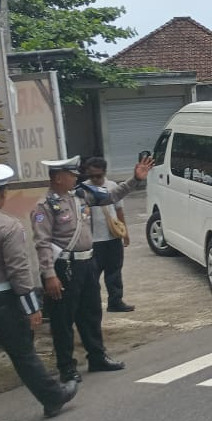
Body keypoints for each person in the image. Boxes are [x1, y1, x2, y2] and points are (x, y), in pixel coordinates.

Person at [0, 164, 78, 421]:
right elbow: (18, 271)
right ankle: (53, 397)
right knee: (23, 354)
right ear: (2, 195)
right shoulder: (7, 225)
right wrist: (32, 307)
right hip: (0, 301)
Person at [32, 154, 153, 383]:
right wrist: (49, 275)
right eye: (71, 175)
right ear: (58, 178)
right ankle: (67, 367)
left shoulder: (81, 195)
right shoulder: (45, 206)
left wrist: (135, 179)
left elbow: (111, 196)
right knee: (63, 319)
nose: (76, 178)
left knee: (91, 313)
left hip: (87, 263)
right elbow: (42, 243)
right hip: (64, 267)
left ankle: (97, 357)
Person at [83, 157, 134, 313]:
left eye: (98, 176)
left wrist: (125, 233)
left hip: (112, 237)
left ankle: (115, 301)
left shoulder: (112, 186)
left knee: (114, 272)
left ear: (104, 172)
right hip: (93, 240)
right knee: (92, 276)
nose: (95, 179)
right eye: (91, 176)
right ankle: (92, 305)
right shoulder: (83, 190)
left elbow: (119, 210)